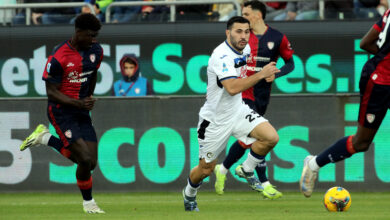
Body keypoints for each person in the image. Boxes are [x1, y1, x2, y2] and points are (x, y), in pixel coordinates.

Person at [182, 16, 280, 211]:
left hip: (238, 110)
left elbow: (242, 72)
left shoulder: (246, 49)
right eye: (238, 31)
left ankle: (247, 169)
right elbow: (233, 87)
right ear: (228, 33)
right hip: (215, 120)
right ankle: (189, 194)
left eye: (246, 31)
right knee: (206, 169)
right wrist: (261, 74)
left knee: (270, 137)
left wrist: (260, 72)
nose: (243, 36)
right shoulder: (221, 55)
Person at [19, 13, 105, 214]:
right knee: (83, 159)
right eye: (90, 36)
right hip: (61, 112)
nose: (94, 40)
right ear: (78, 33)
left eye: (95, 36)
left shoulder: (96, 50)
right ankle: (89, 204)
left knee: (90, 163)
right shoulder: (58, 57)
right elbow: (51, 93)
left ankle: (45, 138)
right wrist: (78, 102)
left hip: (81, 111)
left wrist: (89, 96)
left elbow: (92, 74)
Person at [300, 8, 390, 198]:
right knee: (361, 142)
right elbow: (366, 43)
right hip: (379, 82)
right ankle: (313, 164)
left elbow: (367, 43)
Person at [213, 0, 294, 200]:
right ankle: (263, 183)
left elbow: (290, 63)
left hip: (263, 96)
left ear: (257, 15)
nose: (243, 18)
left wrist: (277, 74)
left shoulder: (277, 37)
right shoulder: (241, 39)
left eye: (246, 14)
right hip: (243, 95)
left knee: (246, 141)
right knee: (260, 138)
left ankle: (222, 169)